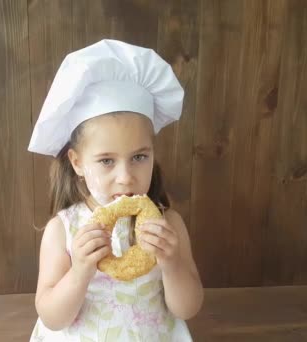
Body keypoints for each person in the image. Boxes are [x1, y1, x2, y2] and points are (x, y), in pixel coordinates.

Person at [28, 39, 203, 341]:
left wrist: (172, 264)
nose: (125, 177)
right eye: (107, 161)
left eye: (139, 157)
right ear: (78, 162)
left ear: (152, 153)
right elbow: (52, 318)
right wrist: (80, 271)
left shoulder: (168, 224)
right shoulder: (63, 230)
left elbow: (187, 308)